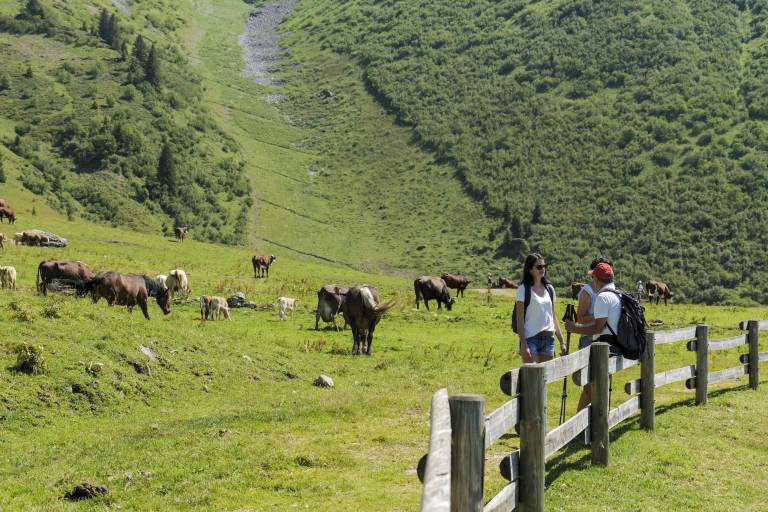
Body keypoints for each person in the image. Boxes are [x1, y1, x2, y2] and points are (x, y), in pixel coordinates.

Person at [564, 261, 622, 410]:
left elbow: (597, 327)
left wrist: (573, 328)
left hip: (600, 347)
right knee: (594, 387)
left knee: (592, 387)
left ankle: (586, 426)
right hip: (613, 345)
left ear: (597, 279)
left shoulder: (603, 297)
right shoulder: (618, 295)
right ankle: (585, 425)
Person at [515, 253, 566, 364]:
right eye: (539, 267)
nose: (543, 269)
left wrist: (562, 341)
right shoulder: (523, 289)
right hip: (530, 338)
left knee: (543, 378)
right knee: (532, 376)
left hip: (548, 339)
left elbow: (553, 317)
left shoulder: (550, 289)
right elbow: (520, 321)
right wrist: (524, 344)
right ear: (530, 270)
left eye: (544, 266)